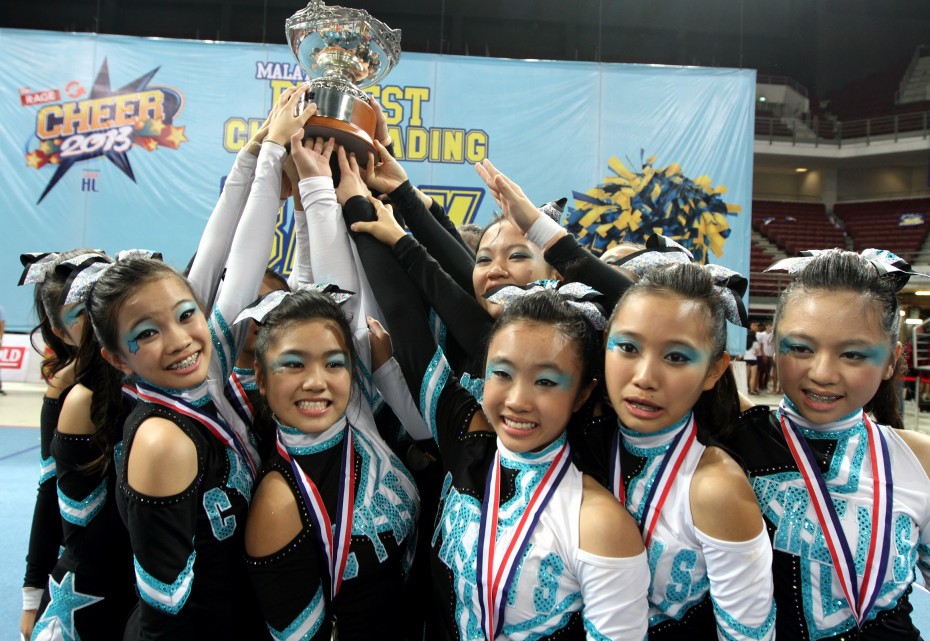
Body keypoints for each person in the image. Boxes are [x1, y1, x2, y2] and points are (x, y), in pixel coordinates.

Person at [352, 193, 650, 637]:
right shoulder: (467, 443)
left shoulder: (600, 522)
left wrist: (554, 242)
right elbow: (408, 320)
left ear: (585, 392)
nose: (518, 400)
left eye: (546, 381)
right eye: (502, 374)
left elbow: (652, 318)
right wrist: (357, 200)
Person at [85, 87, 313, 639]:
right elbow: (164, 613)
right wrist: (268, 159)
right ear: (118, 359)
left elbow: (226, 261)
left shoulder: (203, 374)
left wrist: (257, 155)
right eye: (147, 334)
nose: (180, 340)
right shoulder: (162, 439)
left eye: (186, 314)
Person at [723, 248, 930, 639]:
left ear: (891, 360)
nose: (822, 373)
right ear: (774, 344)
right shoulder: (733, 437)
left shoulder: (920, 459)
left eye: (853, 354)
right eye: (801, 348)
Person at [572, 261, 776, 640]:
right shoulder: (580, 441)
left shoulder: (715, 488)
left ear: (715, 371)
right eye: (628, 347)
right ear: (605, 344)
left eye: (677, 357)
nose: (645, 378)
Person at [241, 289, 419, 640]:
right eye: (294, 364)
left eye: (334, 363)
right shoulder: (279, 506)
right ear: (260, 377)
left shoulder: (356, 417)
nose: (316, 382)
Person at [31, 251, 140, 641]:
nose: (95, 320)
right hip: (98, 590)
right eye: (80, 315)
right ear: (60, 332)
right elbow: (51, 497)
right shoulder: (75, 397)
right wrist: (32, 589)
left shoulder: (160, 383)